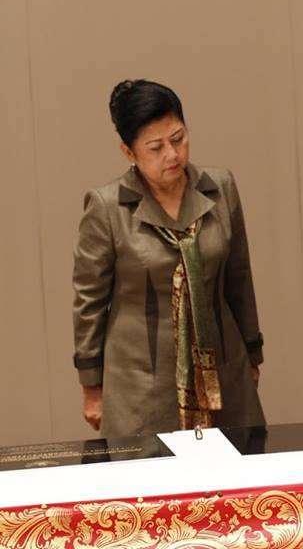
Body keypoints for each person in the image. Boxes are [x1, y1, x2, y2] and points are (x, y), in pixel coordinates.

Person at [73, 79, 265, 437]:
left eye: (178, 138)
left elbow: (239, 278)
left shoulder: (220, 188)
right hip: (141, 386)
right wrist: (91, 386)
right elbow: (89, 304)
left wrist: (252, 354)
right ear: (129, 152)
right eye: (156, 147)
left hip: (223, 373)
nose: (172, 154)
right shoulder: (107, 207)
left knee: (237, 466)